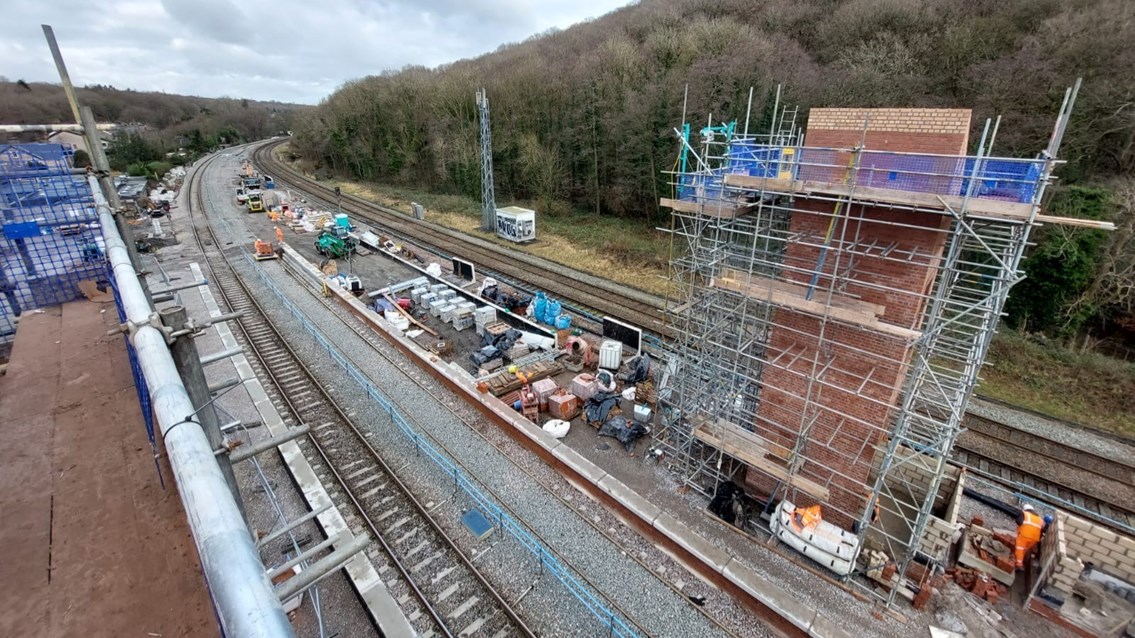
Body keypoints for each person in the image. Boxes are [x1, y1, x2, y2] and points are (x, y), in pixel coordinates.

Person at [1015, 503, 1046, 569]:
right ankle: (1020, 561)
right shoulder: (1039, 519)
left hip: (1025, 535)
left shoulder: (1024, 513)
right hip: (1034, 538)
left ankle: (1018, 565)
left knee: (1019, 549)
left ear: (1025, 509)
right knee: (1024, 550)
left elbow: (1018, 522)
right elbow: (1043, 527)